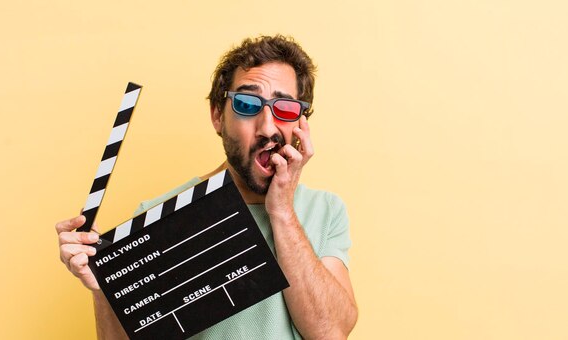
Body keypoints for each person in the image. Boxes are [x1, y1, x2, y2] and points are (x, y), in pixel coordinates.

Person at [56, 35, 358, 339]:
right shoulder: (157, 217)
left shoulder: (326, 211)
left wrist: (281, 211)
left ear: (300, 124)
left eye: (286, 108)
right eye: (246, 104)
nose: (267, 127)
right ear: (218, 115)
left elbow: (330, 332)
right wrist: (104, 287)